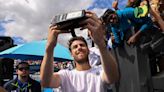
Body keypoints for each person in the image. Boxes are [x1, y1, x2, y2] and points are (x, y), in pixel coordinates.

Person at [40, 11, 119, 92]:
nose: (79, 48)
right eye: (75, 47)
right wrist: (49, 48)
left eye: (82, 45)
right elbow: (46, 82)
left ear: (89, 50)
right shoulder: (65, 75)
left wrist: (100, 43)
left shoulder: (100, 71)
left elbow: (113, 77)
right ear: (71, 54)